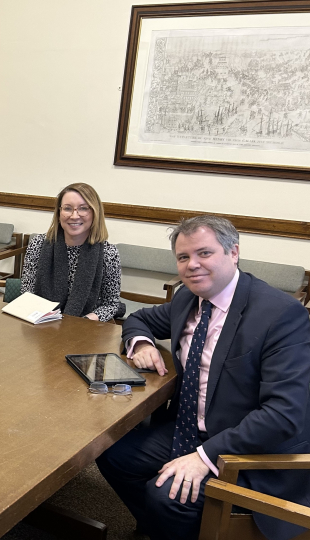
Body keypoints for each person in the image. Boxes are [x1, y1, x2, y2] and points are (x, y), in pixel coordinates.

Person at [96, 216, 310, 540]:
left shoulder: (279, 315)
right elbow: (138, 318)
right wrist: (140, 343)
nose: (192, 265)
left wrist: (205, 456)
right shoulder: (187, 298)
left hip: (250, 449)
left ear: (233, 253)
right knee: (112, 454)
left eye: (204, 253)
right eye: (183, 257)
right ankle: (166, 530)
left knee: (167, 496)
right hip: (190, 428)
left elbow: (284, 415)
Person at [19, 183, 121, 321]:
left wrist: (80, 323)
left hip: (85, 326)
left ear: (95, 212)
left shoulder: (109, 253)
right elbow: (27, 293)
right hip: (41, 322)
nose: (74, 216)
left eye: (83, 208)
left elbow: (111, 304)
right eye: (67, 208)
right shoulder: (38, 244)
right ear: (59, 212)